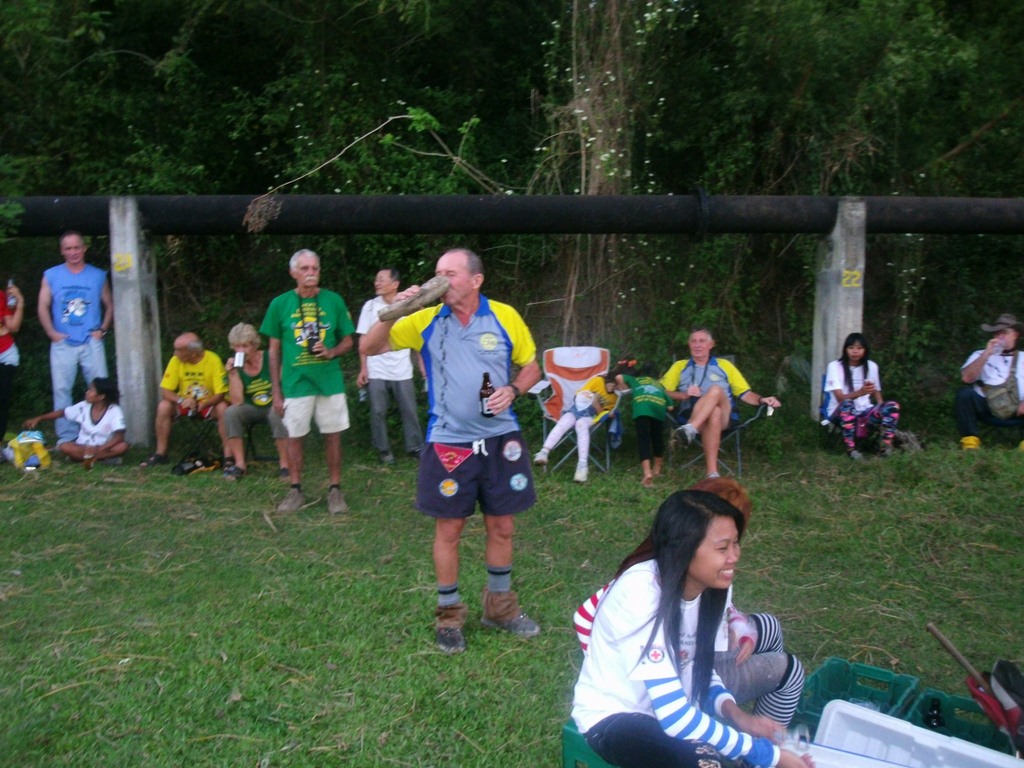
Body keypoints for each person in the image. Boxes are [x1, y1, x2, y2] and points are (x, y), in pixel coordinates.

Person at [360, 247, 542, 655]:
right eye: (437, 273)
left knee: (502, 526)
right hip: (449, 442)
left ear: (476, 280)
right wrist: (396, 310)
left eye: (450, 273)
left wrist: (514, 389)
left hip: (501, 439)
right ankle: (448, 616)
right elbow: (369, 348)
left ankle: (500, 608)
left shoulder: (504, 316)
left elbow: (531, 366)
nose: (439, 280)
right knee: (449, 530)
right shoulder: (424, 318)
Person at [571, 489, 814, 768]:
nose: (734, 556)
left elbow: (698, 668)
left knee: (722, 756)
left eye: (736, 544)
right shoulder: (639, 592)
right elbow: (675, 716)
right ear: (684, 548)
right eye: (722, 548)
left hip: (673, 714)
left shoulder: (713, 587)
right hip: (616, 718)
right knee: (708, 761)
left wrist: (738, 716)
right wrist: (768, 755)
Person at [260, 248, 355, 515]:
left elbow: (349, 340)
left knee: (333, 434)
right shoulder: (280, 304)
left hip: (329, 382)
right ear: (293, 273)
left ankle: (335, 490)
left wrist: (331, 351)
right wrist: (276, 391)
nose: (310, 273)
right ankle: (295, 489)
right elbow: (273, 351)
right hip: (296, 383)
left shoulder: (333, 300)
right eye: (304, 269)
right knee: (295, 436)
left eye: (315, 268)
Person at [661, 327, 781, 479]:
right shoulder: (680, 366)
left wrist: (762, 399)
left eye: (702, 341)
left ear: (711, 344)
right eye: (693, 341)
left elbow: (744, 393)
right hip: (691, 413)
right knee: (714, 412)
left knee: (716, 390)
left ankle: (690, 429)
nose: (697, 345)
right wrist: (683, 395)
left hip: (725, 416)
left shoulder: (724, 365)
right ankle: (712, 473)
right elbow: (661, 391)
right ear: (689, 344)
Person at [37, 231, 114, 446]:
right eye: (68, 248)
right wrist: (51, 333)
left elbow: (109, 305)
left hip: (91, 341)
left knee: (101, 389)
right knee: (61, 390)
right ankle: (67, 437)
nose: (73, 252)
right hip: (63, 342)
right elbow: (42, 306)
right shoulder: (51, 275)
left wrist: (102, 330)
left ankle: (102, 436)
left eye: (77, 247)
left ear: (84, 248)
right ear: (62, 251)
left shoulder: (97, 275)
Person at [355, 268, 426, 465]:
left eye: (381, 280)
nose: (376, 283)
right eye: (376, 279)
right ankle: (383, 449)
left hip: (402, 369)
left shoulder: (408, 305)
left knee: (409, 410)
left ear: (395, 284)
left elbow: (416, 337)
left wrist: (422, 364)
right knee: (378, 411)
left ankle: (415, 447)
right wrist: (363, 368)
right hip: (376, 368)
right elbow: (363, 339)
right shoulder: (370, 307)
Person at [139, 332, 228, 467]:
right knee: (164, 406)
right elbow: (165, 390)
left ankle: (228, 455)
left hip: (209, 403)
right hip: (185, 402)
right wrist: (181, 400)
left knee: (223, 408)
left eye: (179, 350)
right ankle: (160, 453)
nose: (175, 354)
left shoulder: (213, 360)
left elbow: (220, 393)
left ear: (193, 352)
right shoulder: (176, 361)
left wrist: (204, 404)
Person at [221, 323, 290, 480]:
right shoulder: (236, 366)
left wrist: (278, 397)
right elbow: (237, 401)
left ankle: (285, 464)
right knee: (231, 412)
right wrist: (232, 374)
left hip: (274, 404)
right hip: (251, 407)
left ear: (254, 345)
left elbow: (285, 385)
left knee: (276, 412)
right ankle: (240, 464)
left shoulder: (269, 358)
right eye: (237, 347)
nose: (241, 351)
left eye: (245, 346)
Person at [823, 333, 901, 460]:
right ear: (845, 349)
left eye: (859, 348)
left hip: (865, 411)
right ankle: (851, 450)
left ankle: (885, 446)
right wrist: (860, 392)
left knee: (893, 406)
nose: (855, 352)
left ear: (865, 350)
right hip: (839, 412)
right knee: (847, 404)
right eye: (851, 348)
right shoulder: (835, 366)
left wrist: (882, 410)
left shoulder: (871, 366)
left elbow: (876, 392)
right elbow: (840, 398)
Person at [23, 377, 129, 469]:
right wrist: (39, 418)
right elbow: (62, 413)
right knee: (64, 446)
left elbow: (119, 436)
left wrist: (99, 449)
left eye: (91, 390)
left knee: (123, 446)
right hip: (82, 446)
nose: (87, 392)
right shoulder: (83, 406)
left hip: (102, 447)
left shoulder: (114, 410)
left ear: (101, 396)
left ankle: (83, 458)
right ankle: (102, 458)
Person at [532, 371, 619, 483]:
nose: (613, 388)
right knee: (564, 421)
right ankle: (544, 452)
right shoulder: (598, 381)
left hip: (591, 417)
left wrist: (596, 405)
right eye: (612, 384)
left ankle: (582, 465)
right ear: (609, 381)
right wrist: (587, 398)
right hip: (576, 409)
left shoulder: (615, 398)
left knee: (581, 424)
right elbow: (579, 395)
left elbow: (603, 414)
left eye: (617, 386)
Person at [955, 313, 1024, 450]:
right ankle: (970, 443)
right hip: (987, 406)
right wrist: (987, 353)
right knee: (964, 394)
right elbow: (966, 378)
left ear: (1015, 335)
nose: (1000, 336)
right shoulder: (979, 354)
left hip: (1017, 409)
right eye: (997, 333)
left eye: (1004, 332)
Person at [614, 359, 671, 487]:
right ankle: (657, 469)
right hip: (657, 409)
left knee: (643, 438)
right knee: (657, 437)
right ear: (656, 376)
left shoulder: (636, 380)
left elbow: (618, 377)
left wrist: (623, 387)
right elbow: (670, 406)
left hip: (641, 408)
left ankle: (647, 473)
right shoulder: (659, 385)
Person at [0, 279, 25, 442]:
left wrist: (20, 301)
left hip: (5, 354)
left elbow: (13, 327)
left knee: (1, 401)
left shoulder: (1, 296)